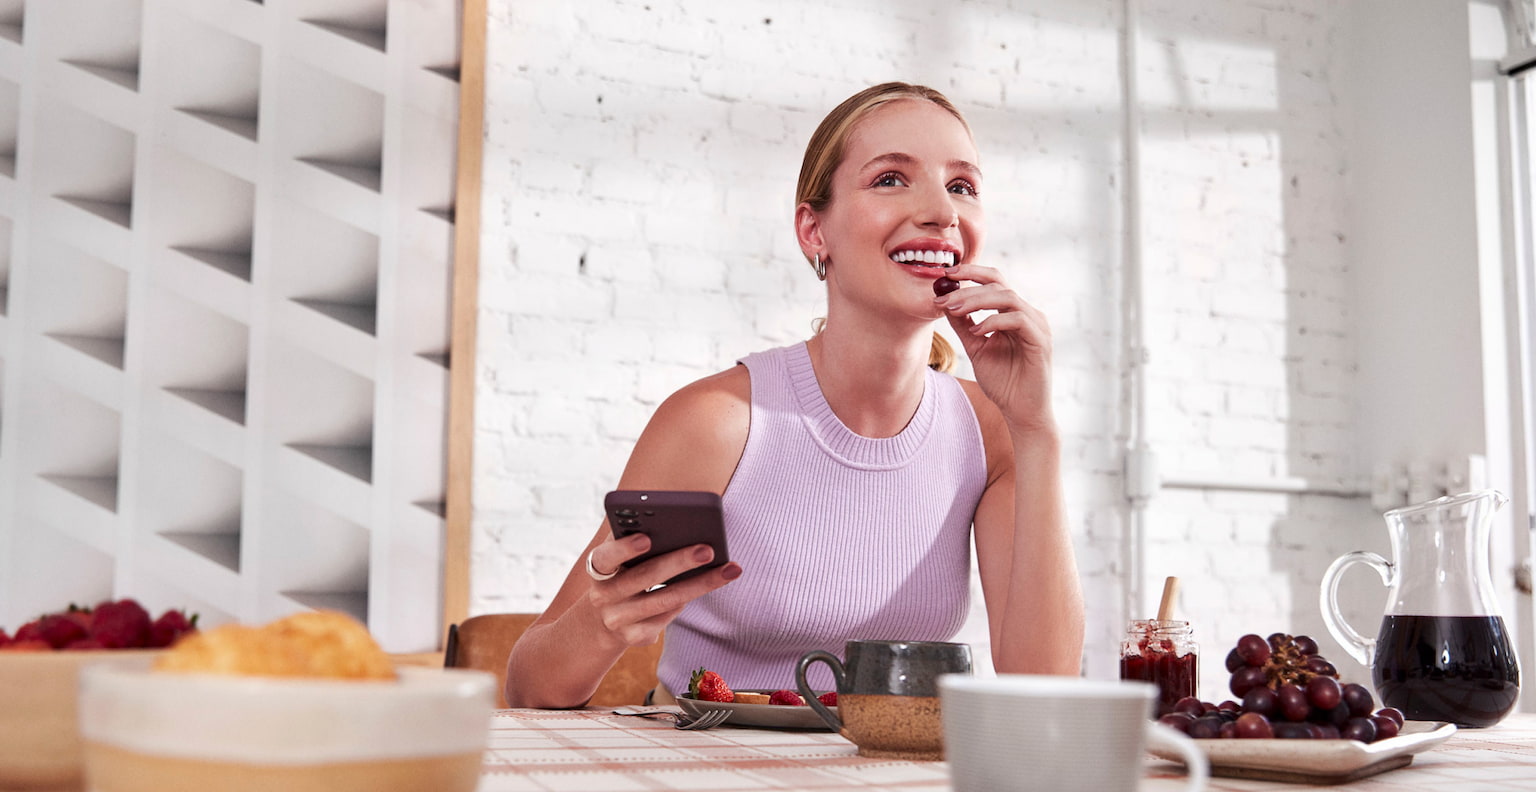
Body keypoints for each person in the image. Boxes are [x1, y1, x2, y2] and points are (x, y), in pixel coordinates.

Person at [504, 82, 1084, 708]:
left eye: (962, 186)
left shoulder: (990, 430)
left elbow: (1045, 690)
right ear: (814, 231)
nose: (941, 210)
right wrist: (601, 622)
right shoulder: (718, 423)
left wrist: (1037, 430)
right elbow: (529, 689)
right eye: (891, 179)